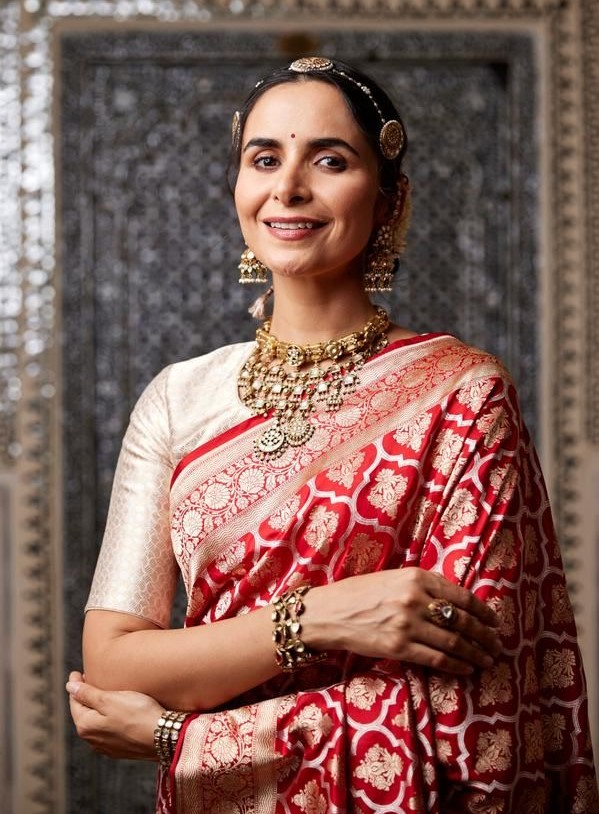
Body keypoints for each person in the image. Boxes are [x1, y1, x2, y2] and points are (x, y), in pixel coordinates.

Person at [68, 56, 599, 814]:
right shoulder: (178, 400)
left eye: (329, 159)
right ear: (238, 190)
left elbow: (477, 720)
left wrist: (177, 737)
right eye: (263, 159)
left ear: (389, 202)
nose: (287, 187)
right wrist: (316, 617)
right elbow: (113, 667)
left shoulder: (462, 395)